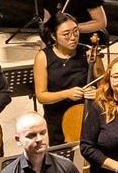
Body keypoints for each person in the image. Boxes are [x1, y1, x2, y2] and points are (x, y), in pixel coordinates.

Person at [33, 14, 95, 142]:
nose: (73, 38)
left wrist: (96, 91)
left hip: (86, 117)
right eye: (66, 34)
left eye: (76, 31)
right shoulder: (43, 57)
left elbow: (104, 85)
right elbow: (41, 96)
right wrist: (67, 94)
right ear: (53, 36)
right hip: (57, 120)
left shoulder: (88, 53)